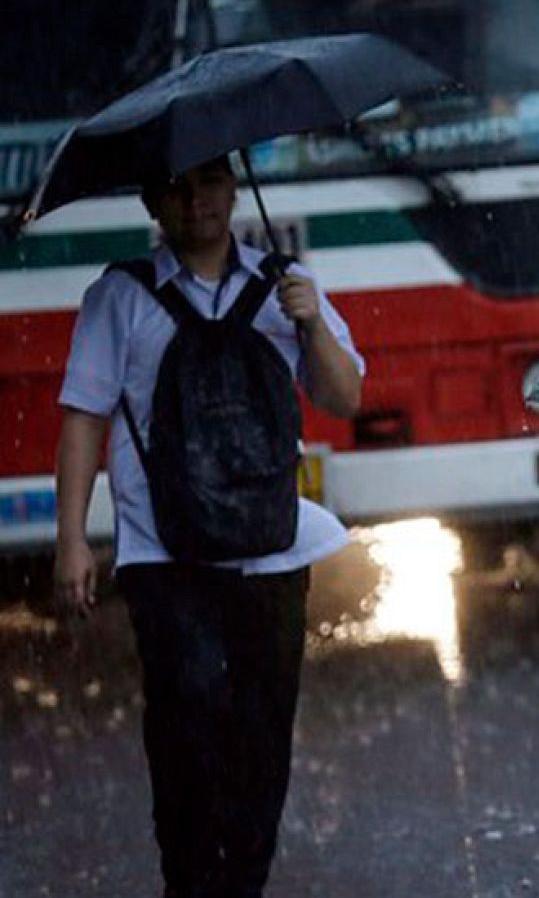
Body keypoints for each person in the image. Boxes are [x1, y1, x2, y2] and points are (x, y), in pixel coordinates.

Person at [53, 154, 363, 898]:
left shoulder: (287, 288)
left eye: (213, 181)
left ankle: (243, 884)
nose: (199, 200)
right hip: (165, 551)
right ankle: (190, 882)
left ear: (234, 189)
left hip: (273, 546)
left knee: (262, 734)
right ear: (153, 201)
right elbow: (82, 419)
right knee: (186, 724)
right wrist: (72, 541)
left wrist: (312, 322)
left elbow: (345, 397)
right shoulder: (118, 296)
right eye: (179, 186)